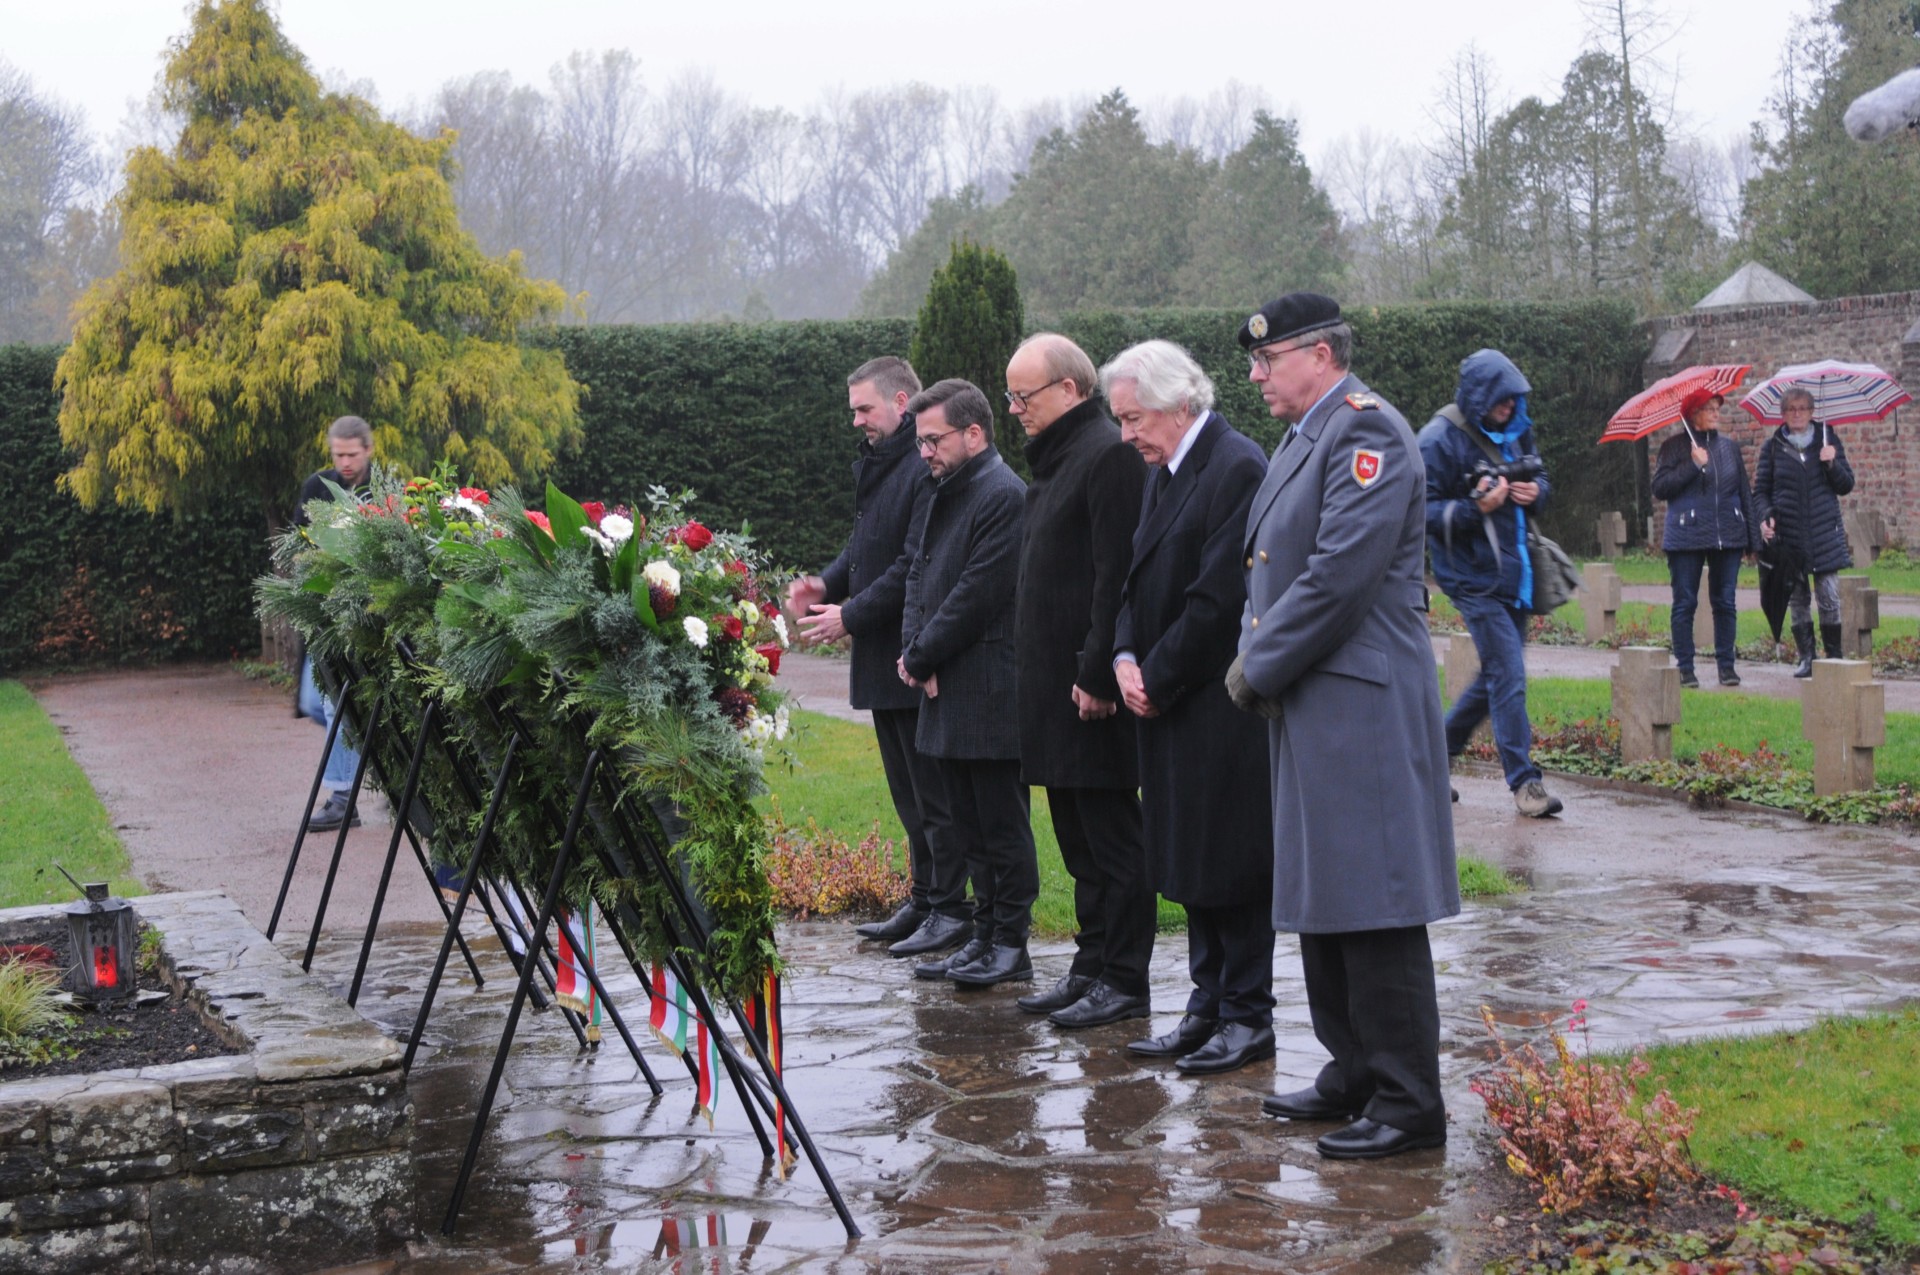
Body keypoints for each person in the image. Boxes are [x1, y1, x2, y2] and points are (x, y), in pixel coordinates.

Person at [1228, 293, 1458, 1161]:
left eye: (1267, 359)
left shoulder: (1367, 433)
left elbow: (1335, 578)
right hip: (1313, 698)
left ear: (1319, 354)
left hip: (1357, 698)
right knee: (1325, 891)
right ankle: (1354, 1069)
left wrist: (1256, 665)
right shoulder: (1308, 435)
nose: (1254, 375)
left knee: (1378, 898)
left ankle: (1407, 1098)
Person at [1103, 340, 1277, 1075]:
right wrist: (1121, 657)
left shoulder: (1235, 465)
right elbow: (1133, 575)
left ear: (1180, 405)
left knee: (1231, 862)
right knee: (1189, 861)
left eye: (1133, 418)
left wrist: (1156, 673)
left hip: (1215, 703)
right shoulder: (1163, 469)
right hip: (1165, 698)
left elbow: (1218, 600)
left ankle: (1247, 1012)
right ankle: (1205, 1003)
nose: (1125, 435)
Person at [787, 357, 969, 956]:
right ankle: (924, 898)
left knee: (935, 796)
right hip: (884, 657)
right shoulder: (883, 463)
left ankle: (949, 908)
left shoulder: (922, 465)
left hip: (910, 652)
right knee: (909, 796)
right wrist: (827, 584)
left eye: (864, 409)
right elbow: (866, 545)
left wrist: (849, 614)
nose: (857, 421)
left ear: (900, 400)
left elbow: (911, 562)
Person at [1004, 333, 1153, 1029]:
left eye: (1023, 396)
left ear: (1070, 389)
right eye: (1009, 397)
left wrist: (1097, 673)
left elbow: (1114, 576)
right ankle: (1090, 964)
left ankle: (1123, 977)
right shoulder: (1058, 462)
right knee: (1077, 843)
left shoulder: (1107, 456)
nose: (1015, 410)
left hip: (1090, 695)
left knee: (1111, 839)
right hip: (1053, 695)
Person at [897, 379, 1039, 988]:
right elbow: (919, 579)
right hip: (947, 683)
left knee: (1001, 823)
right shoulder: (942, 490)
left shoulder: (1002, 494)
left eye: (934, 439)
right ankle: (982, 935)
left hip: (988, 684)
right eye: (921, 441)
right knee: (966, 822)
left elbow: (978, 592)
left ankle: (1011, 941)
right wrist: (913, 653)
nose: (925, 452)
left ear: (974, 434)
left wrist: (924, 655)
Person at [1417, 350, 1563, 819]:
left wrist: (1535, 492)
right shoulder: (1438, 440)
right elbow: (1419, 513)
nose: (1509, 408)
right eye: (1502, 401)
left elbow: (1539, 473)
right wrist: (1472, 509)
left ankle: (1429, 765)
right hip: (1471, 578)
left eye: (1514, 400)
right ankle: (1526, 783)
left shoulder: (1518, 427)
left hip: (1515, 573)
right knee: (1509, 675)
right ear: (1481, 397)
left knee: (1497, 677)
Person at [295, 416, 374, 832]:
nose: (345, 462)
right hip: (323, 615)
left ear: (367, 451)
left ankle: (344, 798)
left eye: (352, 454)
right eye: (338, 454)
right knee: (315, 705)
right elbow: (296, 542)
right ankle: (367, 750)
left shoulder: (381, 491)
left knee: (334, 704)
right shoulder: (316, 488)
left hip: (366, 618)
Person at [1651, 388, 1755, 688]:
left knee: (1725, 601)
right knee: (1685, 602)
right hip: (1686, 536)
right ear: (1692, 413)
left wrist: (1752, 540)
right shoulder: (1673, 447)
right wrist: (1693, 465)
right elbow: (1660, 488)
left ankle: (1727, 666)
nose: (1715, 413)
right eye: (1708, 408)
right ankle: (1686, 668)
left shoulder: (1729, 448)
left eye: (1717, 408)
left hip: (1728, 535)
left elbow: (1743, 492)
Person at [1754, 387, 1856, 677]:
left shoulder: (1828, 439)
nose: (1796, 414)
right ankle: (1807, 658)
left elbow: (1846, 485)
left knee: (1829, 597)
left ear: (1812, 412)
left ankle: (1833, 656)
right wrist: (1765, 516)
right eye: (1790, 409)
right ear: (1783, 414)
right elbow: (1760, 492)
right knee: (1798, 599)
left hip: (1825, 534)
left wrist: (1831, 463)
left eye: (1802, 408)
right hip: (1789, 537)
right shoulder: (1772, 447)